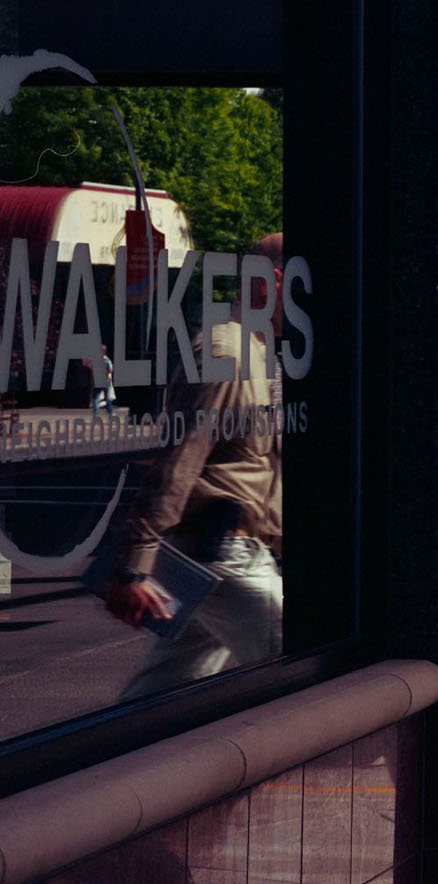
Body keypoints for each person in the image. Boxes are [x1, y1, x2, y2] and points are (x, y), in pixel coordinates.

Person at [108, 232, 286, 699]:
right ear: (271, 285)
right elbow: (178, 463)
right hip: (223, 556)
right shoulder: (225, 353)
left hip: (218, 557)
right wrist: (133, 567)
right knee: (312, 666)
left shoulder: (262, 352)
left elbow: (258, 467)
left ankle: (107, 766)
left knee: (163, 698)